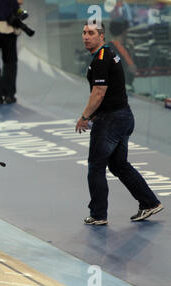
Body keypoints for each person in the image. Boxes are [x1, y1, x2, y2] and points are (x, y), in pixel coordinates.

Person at [76, 22, 163, 225]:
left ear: (101, 36)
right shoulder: (109, 54)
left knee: (96, 166)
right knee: (118, 164)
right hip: (123, 117)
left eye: (91, 33)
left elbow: (99, 92)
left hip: (111, 121)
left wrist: (85, 116)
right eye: (84, 33)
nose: (86, 37)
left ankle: (98, 215)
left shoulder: (100, 60)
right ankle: (149, 202)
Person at [108, 19, 137, 91]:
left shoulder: (124, 48)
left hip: (126, 86)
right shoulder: (111, 49)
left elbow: (132, 67)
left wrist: (132, 49)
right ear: (124, 32)